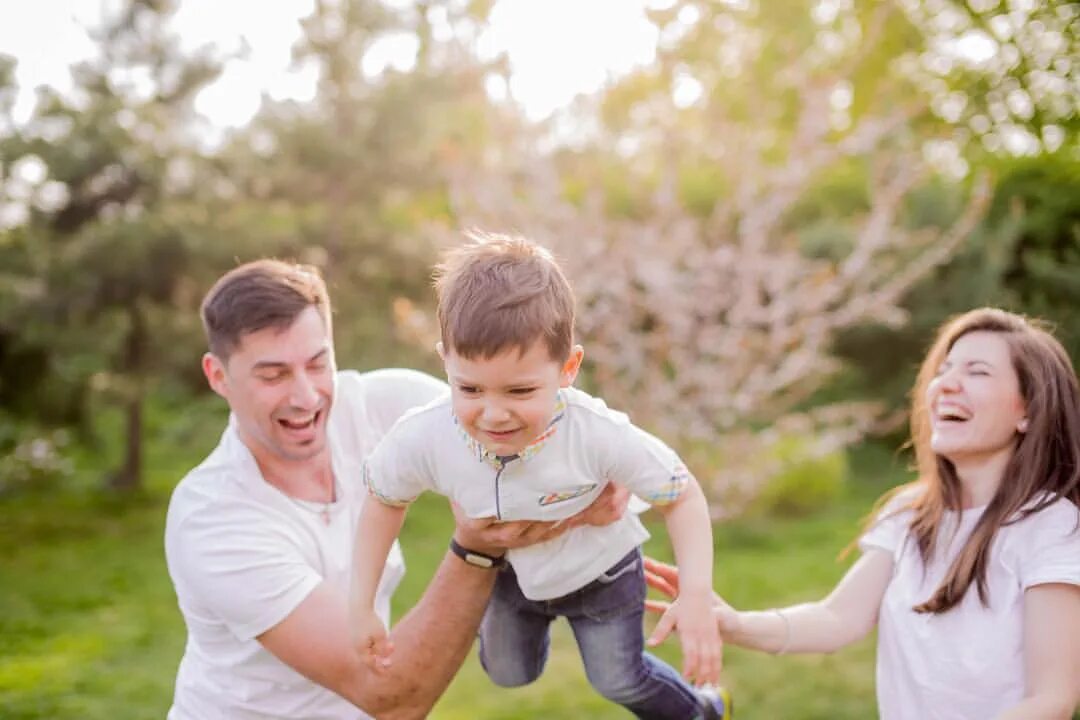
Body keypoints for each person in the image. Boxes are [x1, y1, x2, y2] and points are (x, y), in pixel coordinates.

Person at [163, 258, 628, 719]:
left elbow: (527, 445)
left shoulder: (383, 406)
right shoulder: (213, 518)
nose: (305, 396)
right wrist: (477, 550)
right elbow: (389, 695)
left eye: (317, 363)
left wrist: (607, 554)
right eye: (273, 375)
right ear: (218, 376)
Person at [350, 233, 729, 720]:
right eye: (469, 387)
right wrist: (360, 603)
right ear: (445, 359)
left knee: (619, 679)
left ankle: (703, 709)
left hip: (603, 571)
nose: (494, 413)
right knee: (510, 672)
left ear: (568, 367)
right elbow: (384, 499)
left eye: (520, 389)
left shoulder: (595, 433)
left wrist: (696, 594)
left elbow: (681, 493)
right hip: (515, 574)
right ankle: (525, 630)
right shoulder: (424, 436)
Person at [644, 308, 1080, 720]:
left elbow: (1053, 700)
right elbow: (838, 619)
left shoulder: (1049, 528)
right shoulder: (910, 515)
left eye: (977, 371)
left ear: (1028, 410)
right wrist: (735, 624)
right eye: (944, 369)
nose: (946, 384)